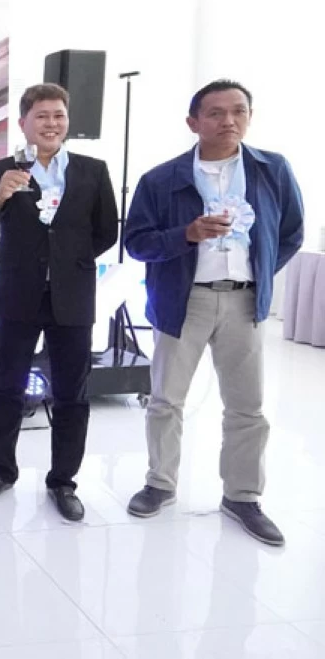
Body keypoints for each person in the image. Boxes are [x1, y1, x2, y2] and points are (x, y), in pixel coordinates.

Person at [123, 79, 303, 546]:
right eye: (216, 113)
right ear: (193, 122)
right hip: (184, 300)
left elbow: (291, 233)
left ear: (250, 117)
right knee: (166, 400)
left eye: (239, 111)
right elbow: (136, 242)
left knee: (247, 406)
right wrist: (185, 235)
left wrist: (260, 271)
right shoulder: (161, 179)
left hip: (244, 300)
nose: (229, 121)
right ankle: (160, 483)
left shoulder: (272, 170)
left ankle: (242, 496)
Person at [0, 83, 118, 521]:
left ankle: (63, 481)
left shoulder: (92, 170)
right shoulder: (1, 169)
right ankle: (0, 471)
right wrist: (0, 196)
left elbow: (106, 231)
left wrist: (68, 262)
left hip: (73, 297)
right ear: (23, 123)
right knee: (7, 389)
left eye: (58, 116)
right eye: (42, 116)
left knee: (72, 393)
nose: (51, 124)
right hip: (18, 295)